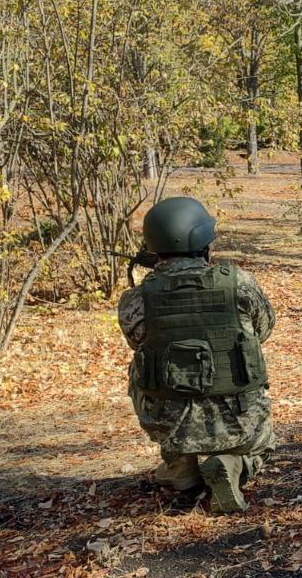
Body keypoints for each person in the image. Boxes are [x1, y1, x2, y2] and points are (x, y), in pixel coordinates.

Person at [118, 197, 276, 513]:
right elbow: (263, 330)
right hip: (241, 420)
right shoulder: (238, 284)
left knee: (140, 369)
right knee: (263, 441)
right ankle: (233, 463)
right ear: (203, 240)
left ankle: (182, 470)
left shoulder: (136, 299)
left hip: (169, 424)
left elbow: (140, 345)